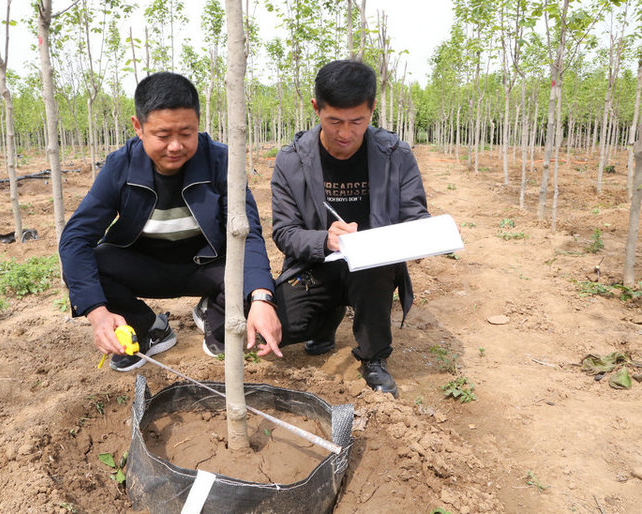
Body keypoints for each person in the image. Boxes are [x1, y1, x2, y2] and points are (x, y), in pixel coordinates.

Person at [59, 72, 281, 372]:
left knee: (255, 284)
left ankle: (215, 314)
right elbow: (75, 239)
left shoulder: (220, 162)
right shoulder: (119, 166)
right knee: (93, 263)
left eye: (186, 133)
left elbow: (249, 234)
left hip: (209, 266)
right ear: (138, 127)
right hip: (144, 267)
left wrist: (262, 299)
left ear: (198, 124)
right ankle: (147, 327)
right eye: (163, 136)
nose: (175, 146)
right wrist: (97, 313)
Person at [266, 60, 429, 397]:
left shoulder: (395, 154)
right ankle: (326, 319)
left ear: (372, 110)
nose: (345, 133)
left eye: (357, 121)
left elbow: (416, 215)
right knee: (280, 330)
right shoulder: (292, 160)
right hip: (316, 264)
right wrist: (324, 239)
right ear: (316, 108)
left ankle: (374, 356)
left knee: (375, 269)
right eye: (334, 121)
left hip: (372, 267)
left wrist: (424, 236)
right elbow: (283, 231)